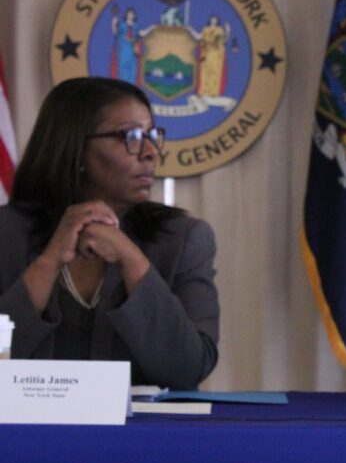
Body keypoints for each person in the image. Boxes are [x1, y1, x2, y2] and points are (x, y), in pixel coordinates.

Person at [0, 77, 219, 389]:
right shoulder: (7, 233)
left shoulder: (183, 238)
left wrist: (131, 259)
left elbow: (187, 369)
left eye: (151, 136)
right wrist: (49, 261)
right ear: (74, 147)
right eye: (129, 136)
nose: (149, 152)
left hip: (141, 437)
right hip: (20, 435)